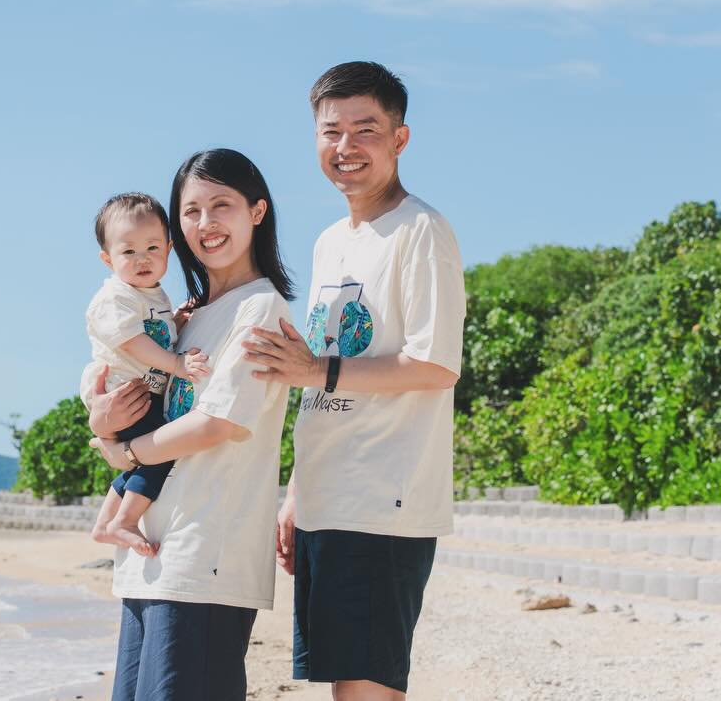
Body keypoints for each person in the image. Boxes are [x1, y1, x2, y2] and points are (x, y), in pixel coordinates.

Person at [242, 61, 466, 700]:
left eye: (365, 130)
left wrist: (318, 368)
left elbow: (435, 364)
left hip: (383, 500)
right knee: (343, 683)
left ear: (400, 139)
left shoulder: (421, 231)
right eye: (330, 131)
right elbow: (320, 383)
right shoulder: (330, 242)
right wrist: (296, 491)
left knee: (366, 689)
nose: (346, 148)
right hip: (327, 496)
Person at [86, 148, 295, 701]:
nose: (205, 224)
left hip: (206, 557)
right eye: (191, 210)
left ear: (256, 211)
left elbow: (216, 424)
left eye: (220, 205)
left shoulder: (261, 308)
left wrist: (125, 454)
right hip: (149, 554)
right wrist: (104, 428)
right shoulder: (186, 316)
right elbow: (129, 391)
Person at [83, 192, 211, 557]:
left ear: (169, 248)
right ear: (108, 259)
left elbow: (155, 332)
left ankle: (105, 524)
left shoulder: (152, 294)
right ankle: (123, 521)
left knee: (144, 455)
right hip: (124, 394)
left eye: (152, 248)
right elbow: (133, 342)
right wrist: (177, 364)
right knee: (158, 453)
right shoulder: (115, 297)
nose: (142, 259)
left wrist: (177, 322)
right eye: (128, 252)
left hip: (141, 393)